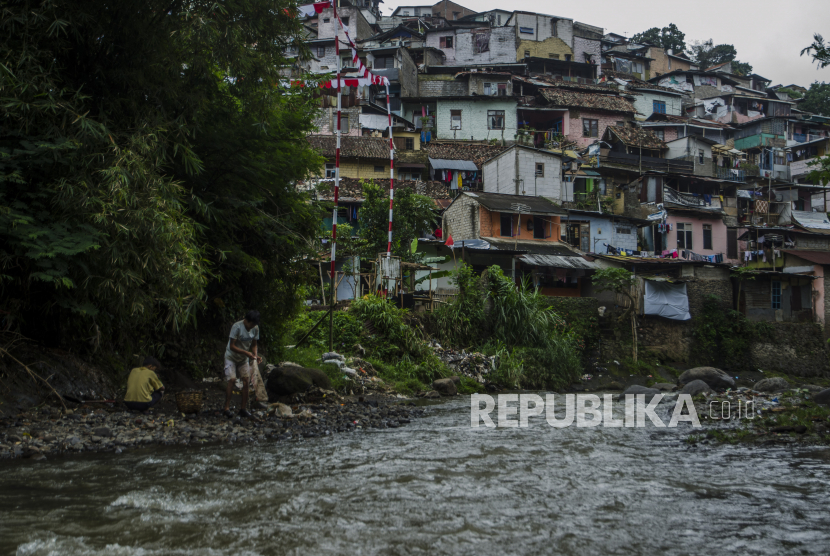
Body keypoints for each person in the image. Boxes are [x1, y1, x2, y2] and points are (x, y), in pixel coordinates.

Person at [223, 310, 263, 418]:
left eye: (254, 324)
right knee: (231, 380)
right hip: (231, 356)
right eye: (251, 324)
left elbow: (254, 344)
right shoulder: (237, 327)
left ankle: (243, 409)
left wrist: (255, 355)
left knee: (246, 380)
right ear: (246, 320)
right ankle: (226, 407)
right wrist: (246, 353)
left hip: (243, 359)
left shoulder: (255, 328)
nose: (252, 326)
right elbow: (232, 346)